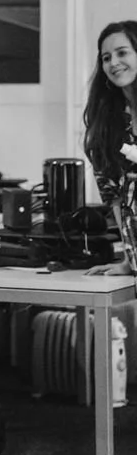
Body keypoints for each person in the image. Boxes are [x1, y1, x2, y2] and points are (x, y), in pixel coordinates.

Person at [85, 21, 137, 277]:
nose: (113, 62)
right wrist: (129, 259)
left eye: (122, 52)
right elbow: (115, 198)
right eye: (106, 58)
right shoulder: (107, 124)